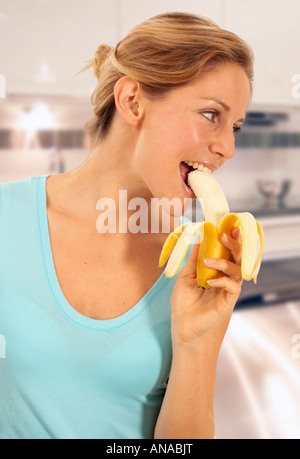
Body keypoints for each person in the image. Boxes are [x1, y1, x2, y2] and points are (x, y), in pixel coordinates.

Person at [0, 12, 253, 439]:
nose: (227, 147)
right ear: (133, 100)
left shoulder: (194, 265)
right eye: (212, 115)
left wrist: (194, 342)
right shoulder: (7, 218)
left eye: (236, 128)